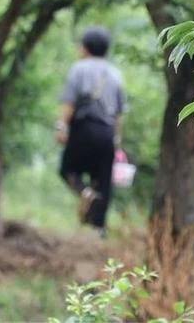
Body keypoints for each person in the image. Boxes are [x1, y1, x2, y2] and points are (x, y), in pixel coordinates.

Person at [55, 27, 125, 237]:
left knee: (67, 169)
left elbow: (70, 101)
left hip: (83, 127)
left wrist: (61, 126)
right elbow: (119, 113)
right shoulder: (115, 74)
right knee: (103, 179)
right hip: (106, 132)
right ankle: (98, 228)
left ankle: (84, 192)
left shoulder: (79, 68)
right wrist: (116, 140)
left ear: (85, 48)